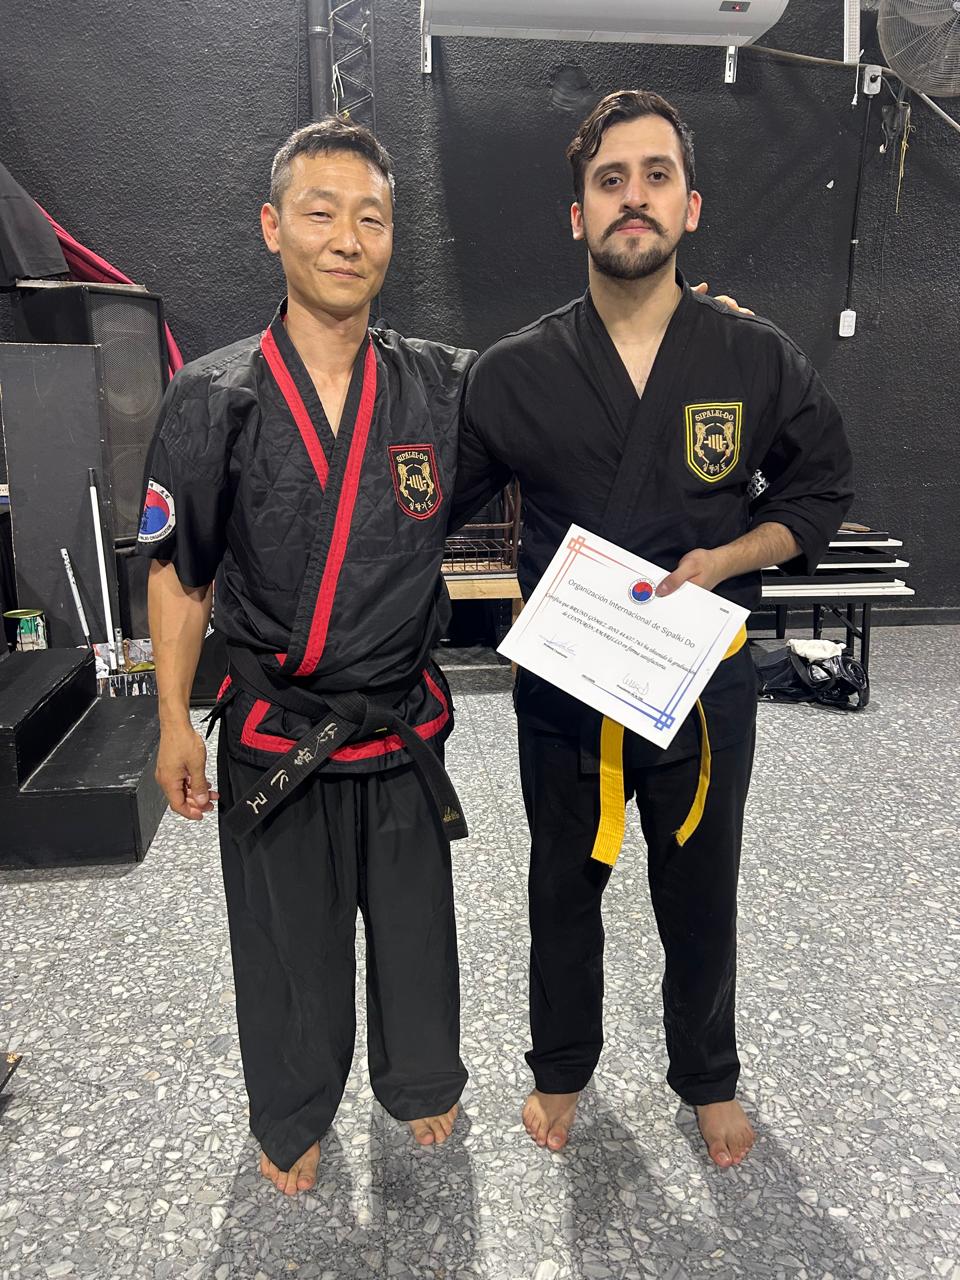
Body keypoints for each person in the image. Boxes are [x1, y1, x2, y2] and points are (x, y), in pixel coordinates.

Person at [452, 89, 854, 1169]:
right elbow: (430, 507)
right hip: (568, 686)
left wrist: (732, 557)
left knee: (700, 886)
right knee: (561, 885)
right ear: (578, 214)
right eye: (611, 180)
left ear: (691, 205)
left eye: (656, 176)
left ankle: (708, 1075)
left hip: (701, 682)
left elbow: (819, 488)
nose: (634, 197)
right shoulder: (512, 370)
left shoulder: (752, 356)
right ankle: (561, 1066)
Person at [138, 118, 475, 1197]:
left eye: (371, 217)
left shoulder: (441, 385)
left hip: (399, 719)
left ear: (391, 238)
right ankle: (293, 1107)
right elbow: (181, 572)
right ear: (272, 226)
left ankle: (419, 1079)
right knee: (288, 944)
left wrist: (686, 332)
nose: (347, 238)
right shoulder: (212, 393)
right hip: (277, 728)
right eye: (321, 212)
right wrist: (172, 720)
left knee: (417, 929)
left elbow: (565, 396)